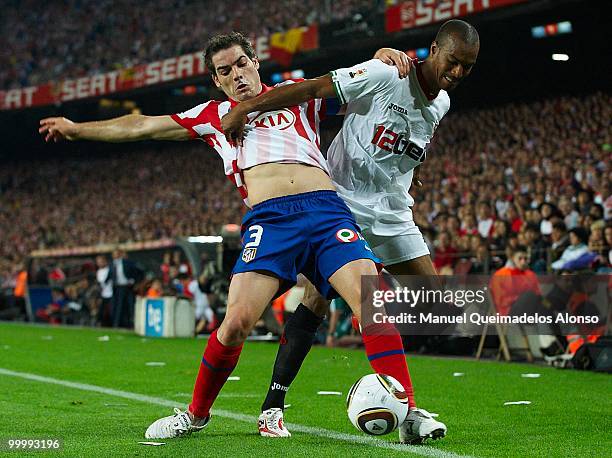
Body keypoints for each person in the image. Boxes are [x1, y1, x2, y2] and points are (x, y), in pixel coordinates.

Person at [39, 32, 418, 442]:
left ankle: (409, 412)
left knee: (372, 305)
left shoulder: (297, 94)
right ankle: (196, 414)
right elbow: (141, 126)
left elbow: (360, 84)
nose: (236, 74)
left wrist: (381, 57)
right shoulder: (213, 115)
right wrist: (78, 129)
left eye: (241, 63)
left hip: (327, 212)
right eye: (225, 71)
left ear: (255, 62)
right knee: (235, 323)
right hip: (270, 221)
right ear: (217, 82)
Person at [222, 19, 479, 443]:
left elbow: (411, 140)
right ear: (434, 49)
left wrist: (411, 171)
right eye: (453, 62)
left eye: (467, 67)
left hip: (393, 212)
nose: (456, 73)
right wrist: (246, 108)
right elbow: (310, 88)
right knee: (330, 301)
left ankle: (382, 384)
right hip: (341, 203)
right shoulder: (386, 73)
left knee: (437, 307)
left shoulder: (442, 103)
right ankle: (284, 404)